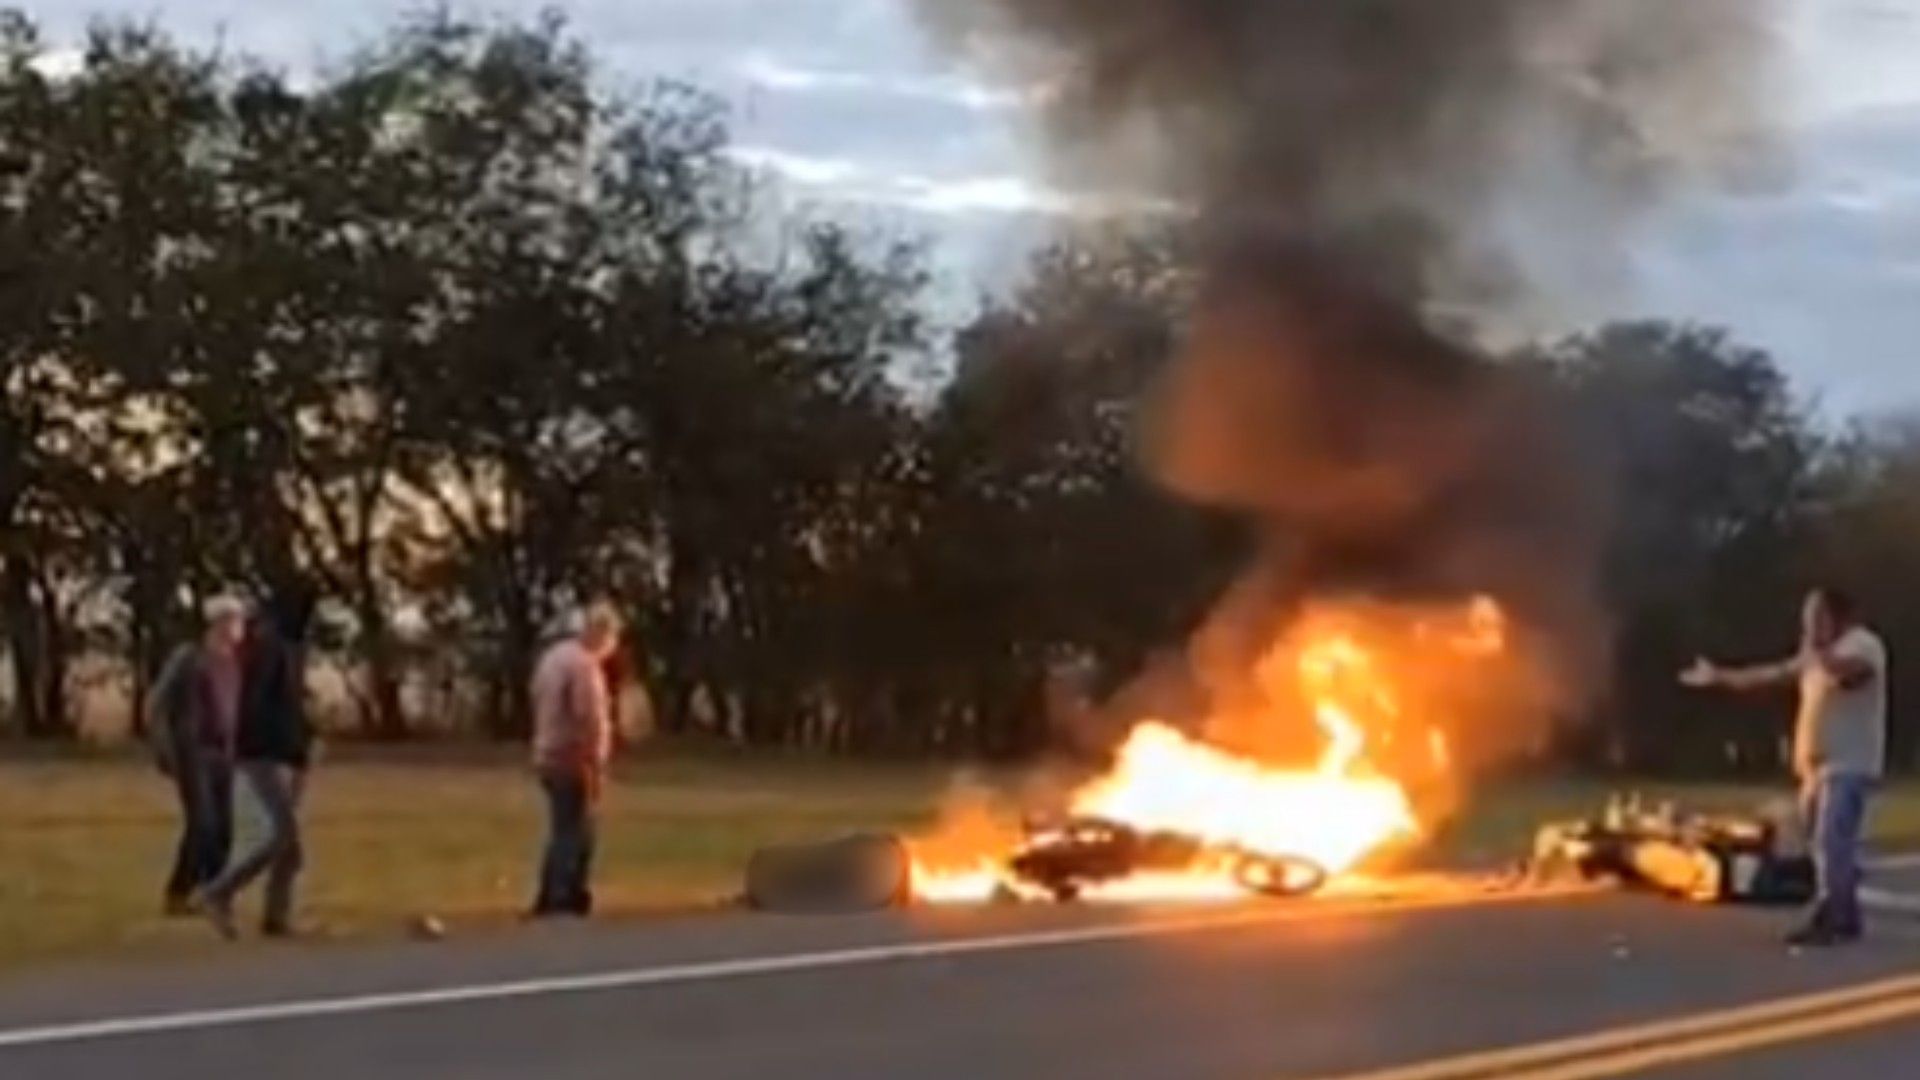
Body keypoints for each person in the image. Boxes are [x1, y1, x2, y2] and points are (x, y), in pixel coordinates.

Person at [1681, 586, 1888, 946]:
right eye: (1807, 617)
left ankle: (1832, 916)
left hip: (1849, 763)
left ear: (1837, 616)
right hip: (1816, 769)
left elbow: (1853, 675)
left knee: (1831, 841)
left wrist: (1819, 652)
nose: (1808, 625)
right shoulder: (1816, 656)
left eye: (1816, 616)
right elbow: (1771, 674)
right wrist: (1720, 676)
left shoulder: (1863, 645)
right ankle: (1846, 913)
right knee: (1822, 844)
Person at [196, 582, 318, 939]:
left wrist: (301, 747)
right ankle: (219, 892)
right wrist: (292, 747)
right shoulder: (271, 648)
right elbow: (262, 707)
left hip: (275, 752)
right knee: (283, 838)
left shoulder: (279, 646)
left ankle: (275, 919)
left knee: (289, 848)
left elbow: (287, 706)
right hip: (262, 753)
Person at [146, 594, 247, 916]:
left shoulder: (235, 661)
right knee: (202, 823)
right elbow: (157, 704)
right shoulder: (189, 658)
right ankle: (178, 892)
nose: (237, 627)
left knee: (224, 828)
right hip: (193, 752)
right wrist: (163, 748)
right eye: (232, 620)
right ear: (217, 623)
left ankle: (215, 892)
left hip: (225, 752)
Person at [528, 603, 622, 918]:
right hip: (573, 757)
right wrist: (594, 760)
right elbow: (587, 716)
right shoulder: (584, 666)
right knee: (577, 830)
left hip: (547, 753)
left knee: (561, 825)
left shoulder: (553, 658)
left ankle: (550, 891)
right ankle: (565, 894)